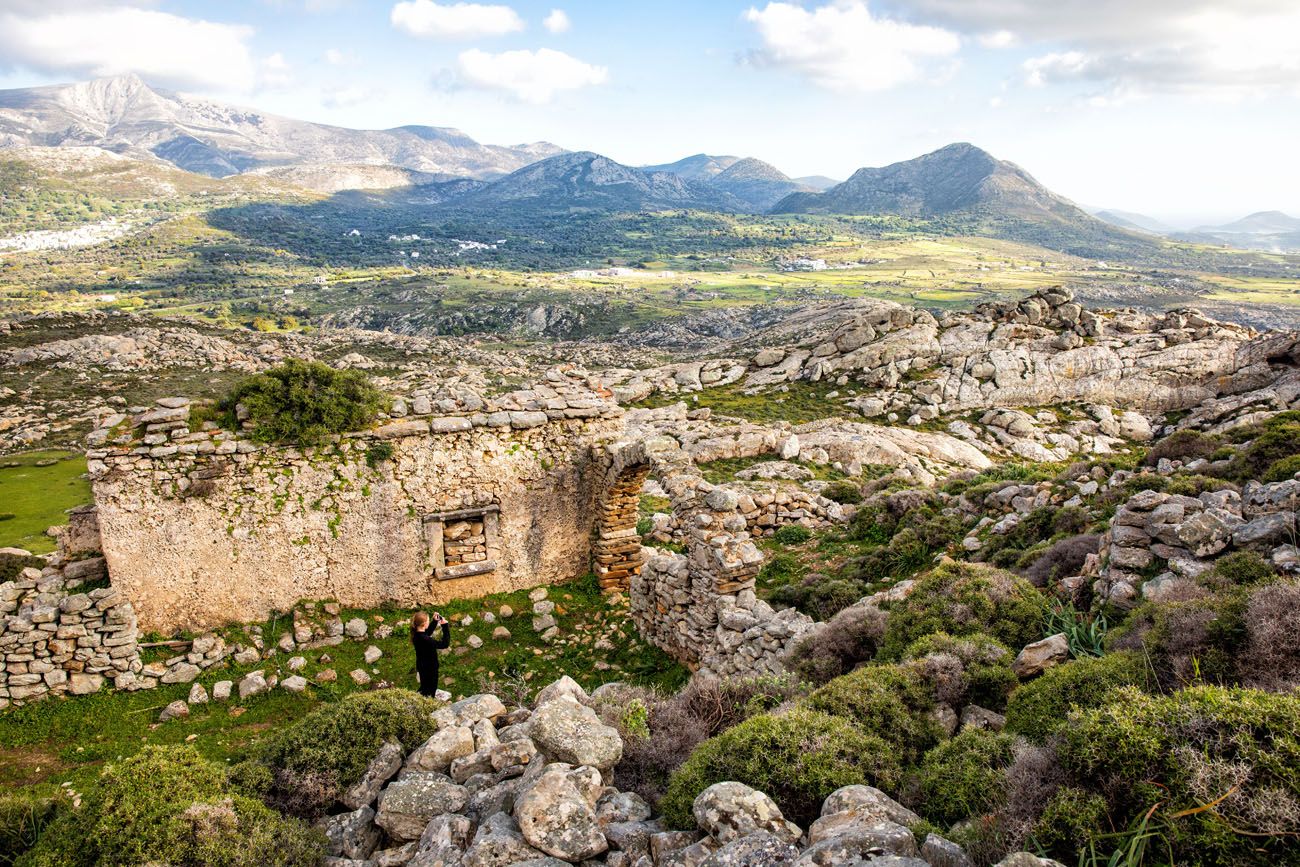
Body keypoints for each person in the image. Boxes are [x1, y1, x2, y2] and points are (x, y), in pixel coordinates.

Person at [411, 610, 450, 697]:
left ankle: (420, 698)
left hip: (422, 666)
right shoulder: (427, 640)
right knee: (430, 690)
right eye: (428, 621)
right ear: (424, 624)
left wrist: (434, 621)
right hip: (430, 668)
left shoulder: (416, 635)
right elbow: (445, 644)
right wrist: (445, 626)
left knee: (424, 687)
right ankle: (426, 705)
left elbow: (426, 632)